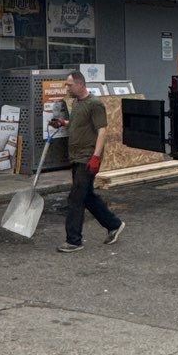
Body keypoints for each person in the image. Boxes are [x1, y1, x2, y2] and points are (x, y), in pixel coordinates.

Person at [50, 69, 125, 254]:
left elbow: (102, 131)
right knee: (87, 195)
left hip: (88, 157)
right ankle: (114, 224)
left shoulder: (95, 104)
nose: (67, 88)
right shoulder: (77, 103)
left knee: (75, 198)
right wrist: (63, 123)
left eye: (69, 85)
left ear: (80, 84)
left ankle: (73, 240)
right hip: (76, 156)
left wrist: (96, 157)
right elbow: (77, 123)